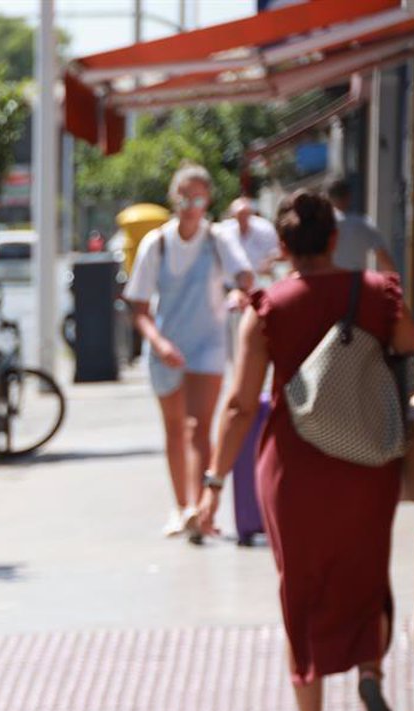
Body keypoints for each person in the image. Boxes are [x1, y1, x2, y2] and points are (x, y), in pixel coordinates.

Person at [196, 190, 414, 711]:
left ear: (282, 247)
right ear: (335, 239)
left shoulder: (266, 308)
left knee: (302, 585)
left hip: (293, 467)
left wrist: (212, 484)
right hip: (370, 462)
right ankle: (370, 680)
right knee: (365, 573)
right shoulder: (380, 295)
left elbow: (239, 406)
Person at [124, 164, 255, 541]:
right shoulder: (157, 243)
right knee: (175, 428)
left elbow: (243, 275)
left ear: (207, 201)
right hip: (167, 344)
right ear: (174, 198)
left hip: (207, 344)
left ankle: (199, 508)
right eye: (184, 197)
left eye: (198, 198)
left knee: (199, 427)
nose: (190, 205)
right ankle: (181, 505)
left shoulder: (218, 240)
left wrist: (243, 288)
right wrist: (159, 343)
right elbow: (139, 307)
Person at [326, 176, 399, 275]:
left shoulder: (322, 225)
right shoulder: (363, 223)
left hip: (329, 283)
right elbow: (385, 260)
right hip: (355, 285)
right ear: (349, 197)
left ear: (328, 198)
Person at [221, 197, 282, 282]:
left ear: (250, 213)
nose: (243, 218)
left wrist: (268, 261)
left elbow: (276, 252)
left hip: (260, 281)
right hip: (232, 282)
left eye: (245, 214)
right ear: (233, 215)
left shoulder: (265, 228)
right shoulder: (225, 230)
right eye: (239, 215)